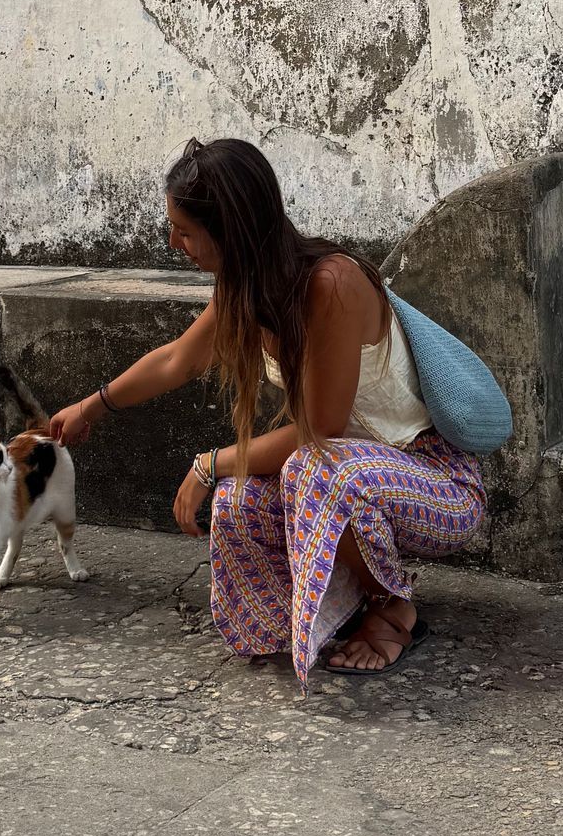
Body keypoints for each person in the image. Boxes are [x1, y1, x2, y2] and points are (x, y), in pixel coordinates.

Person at [47, 137, 485, 680]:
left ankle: (394, 609)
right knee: (236, 502)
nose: (173, 241)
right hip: (355, 474)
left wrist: (210, 462)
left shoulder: (332, 283)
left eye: (185, 231)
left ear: (229, 231)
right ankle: (338, 609)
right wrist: (91, 408)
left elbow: (319, 432)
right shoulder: (246, 287)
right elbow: (177, 361)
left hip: (437, 482)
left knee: (311, 466)